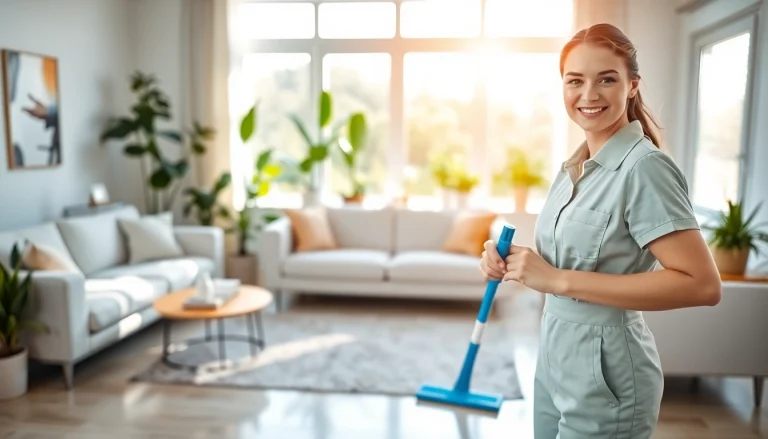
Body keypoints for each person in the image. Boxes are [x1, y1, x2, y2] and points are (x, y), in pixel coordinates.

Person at [479, 23, 722, 439]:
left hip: (608, 370)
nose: (588, 94)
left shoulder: (644, 168)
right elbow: (571, 254)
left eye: (606, 79)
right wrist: (513, 260)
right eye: (575, 80)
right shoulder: (573, 168)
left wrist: (556, 279)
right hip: (555, 352)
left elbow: (702, 285)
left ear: (631, 86)